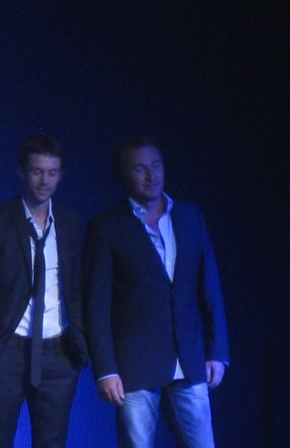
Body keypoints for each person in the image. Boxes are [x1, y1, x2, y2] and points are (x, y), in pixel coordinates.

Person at [83, 136, 230, 447]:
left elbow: (210, 288)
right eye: (140, 169)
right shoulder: (106, 227)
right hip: (135, 365)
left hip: (189, 359)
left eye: (156, 165)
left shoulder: (190, 216)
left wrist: (218, 351)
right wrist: (106, 369)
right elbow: (97, 306)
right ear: (123, 176)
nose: (151, 176)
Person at [0, 135, 88, 447]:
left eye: (52, 173)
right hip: (8, 350)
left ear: (61, 175)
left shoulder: (70, 223)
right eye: (37, 171)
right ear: (22, 172)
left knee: (52, 442)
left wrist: (80, 347)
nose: (45, 181)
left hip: (59, 353)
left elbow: (79, 289)